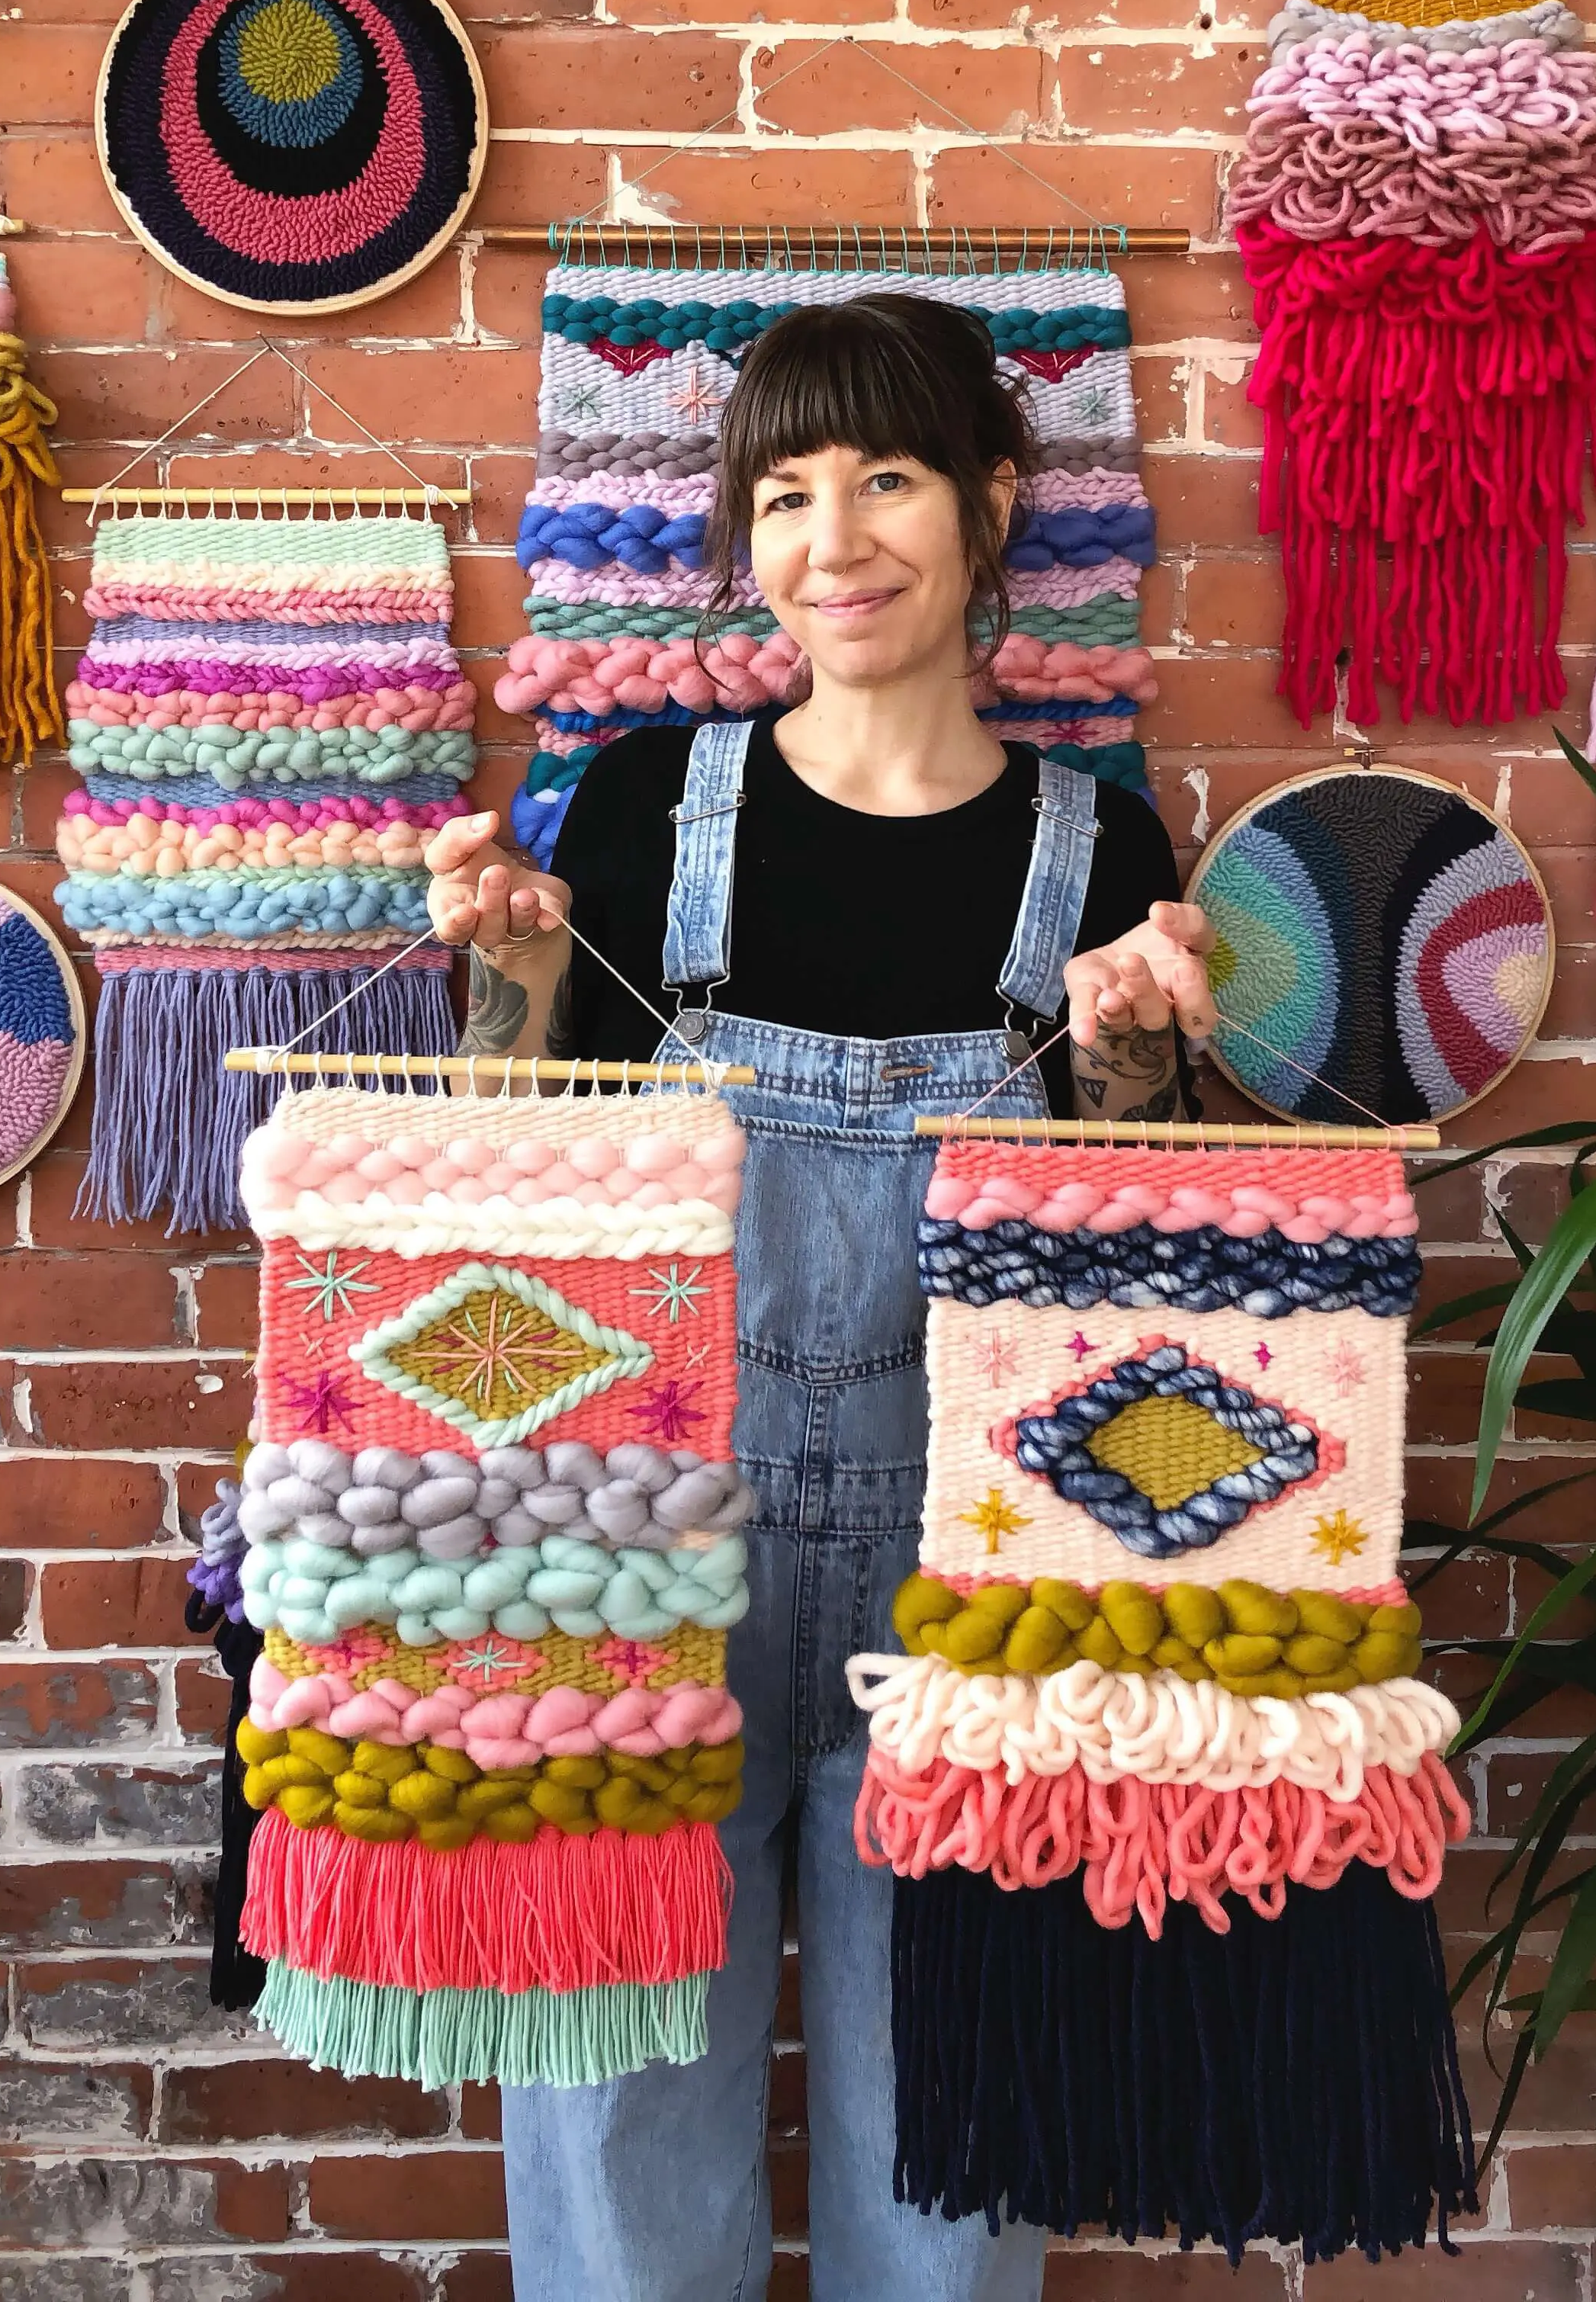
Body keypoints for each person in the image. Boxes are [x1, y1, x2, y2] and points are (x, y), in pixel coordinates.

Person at [425, 291, 1213, 2302]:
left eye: (884, 476)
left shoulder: (1099, 836)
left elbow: (1130, 1248)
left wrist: (1135, 1050)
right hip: (633, 1563)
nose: (831, 537)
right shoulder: (630, 808)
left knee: (947, 2152)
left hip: (977, 1569)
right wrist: (505, 977)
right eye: (781, 490)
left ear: (991, 505)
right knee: (614, 2130)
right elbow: (518, 1187)